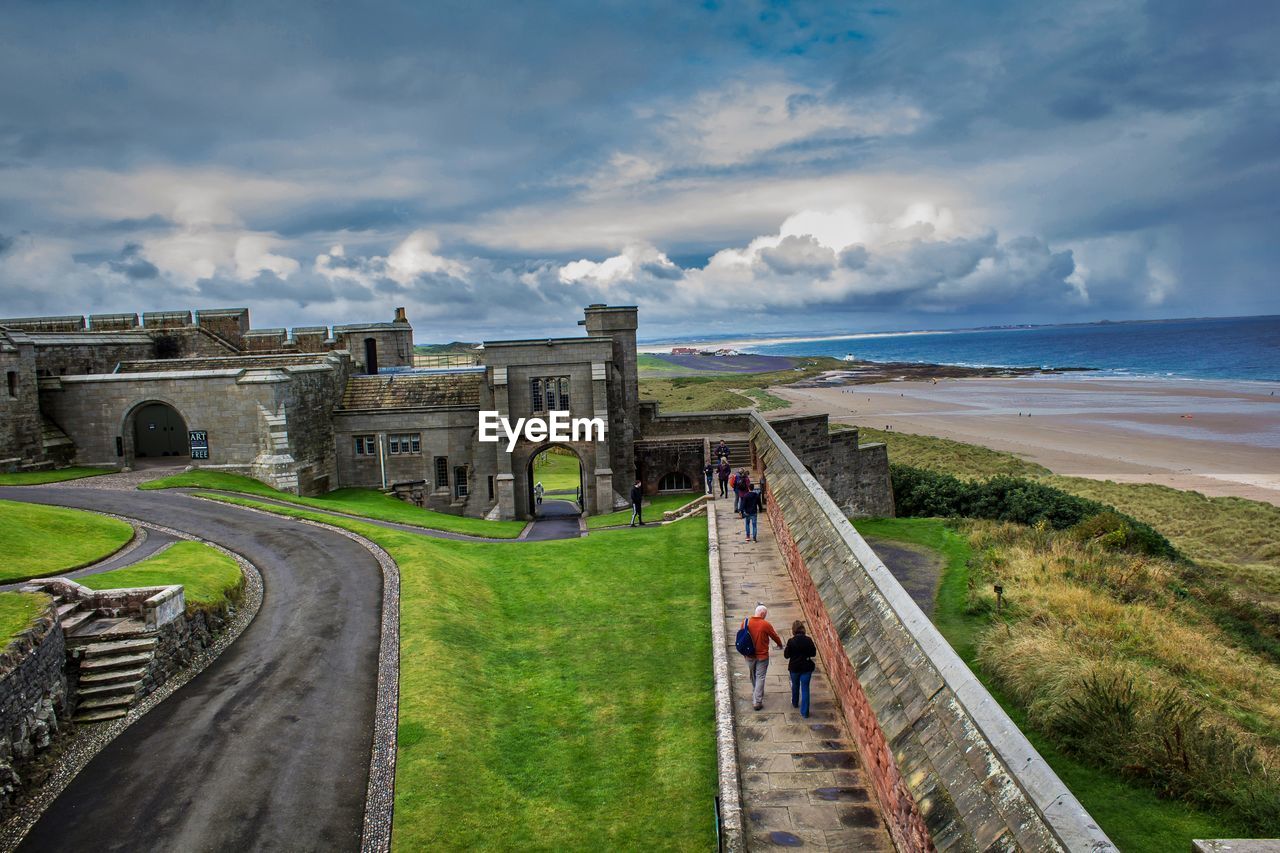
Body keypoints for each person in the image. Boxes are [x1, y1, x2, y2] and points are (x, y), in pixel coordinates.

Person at [747, 604, 783, 711]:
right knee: (760, 677)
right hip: (762, 656)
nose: (765, 616)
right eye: (765, 614)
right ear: (762, 614)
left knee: (753, 675)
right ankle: (757, 701)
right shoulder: (765, 624)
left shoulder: (746, 622)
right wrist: (780, 644)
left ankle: (756, 693)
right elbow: (774, 636)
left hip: (749, 655)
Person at [784, 621, 817, 718]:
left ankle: (795, 702)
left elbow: (786, 655)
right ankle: (805, 712)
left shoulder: (791, 641)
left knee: (795, 685)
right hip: (806, 668)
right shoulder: (808, 640)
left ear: (793, 630)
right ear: (803, 629)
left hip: (794, 668)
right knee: (805, 688)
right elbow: (813, 653)